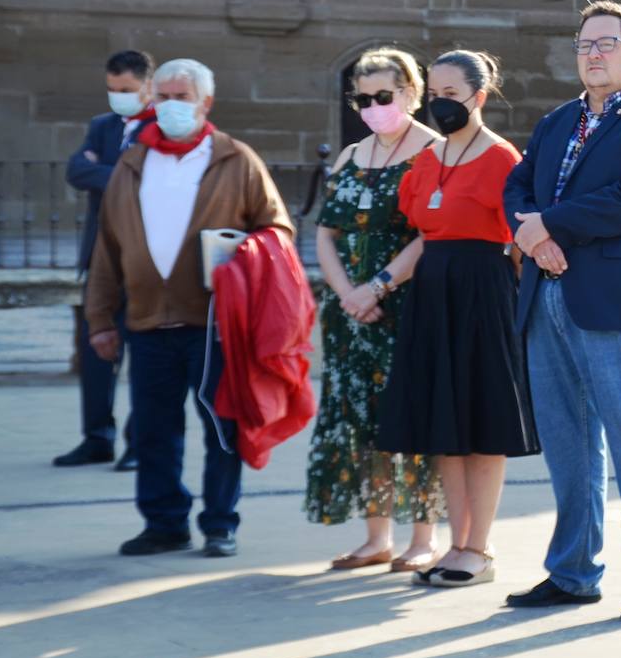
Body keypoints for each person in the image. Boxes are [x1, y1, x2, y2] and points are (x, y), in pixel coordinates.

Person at [503, 0, 621, 622]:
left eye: (607, 43)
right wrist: (532, 232)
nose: (593, 54)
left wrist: (542, 228)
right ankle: (573, 572)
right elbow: (517, 187)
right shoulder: (558, 120)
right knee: (569, 445)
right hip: (547, 300)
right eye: (585, 44)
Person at [85, 57, 292, 557]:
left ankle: (221, 522)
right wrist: (99, 319)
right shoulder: (133, 165)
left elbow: (277, 230)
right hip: (148, 321)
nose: (171, 106)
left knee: (223, 429)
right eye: (163, 97)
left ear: (206, 102)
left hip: (215, 325)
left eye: (182, 97)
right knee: (154, 430)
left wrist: (243, 253)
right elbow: (108, 248)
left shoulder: (236, 160)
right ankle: (164, 523)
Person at [377, 50, 540, 589]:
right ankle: (456, 545)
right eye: (434, 93)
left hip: (483, 290)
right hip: (433, 294)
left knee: (483, 425)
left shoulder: (501, 159)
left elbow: (516, 244)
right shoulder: (428, 158)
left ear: (479, 96)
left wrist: (510, 306)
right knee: (446, 426)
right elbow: (423, 233)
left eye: (450, 94)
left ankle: (480, 547)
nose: (440, 103)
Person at [305, 47, 445, 573]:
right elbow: (324, 233)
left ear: (411, 93)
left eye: (384, 96)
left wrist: (378, 288)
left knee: (411, 416)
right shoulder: (350, 155)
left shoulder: (432, 153)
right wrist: (348, 293)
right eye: (363, 98)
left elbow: (433, 233)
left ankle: (423, 537)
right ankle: (376, 536)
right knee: (360, 421)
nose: (373, 106)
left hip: (407, 306)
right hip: (350, 316)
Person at [56, 50, 156, 471]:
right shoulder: (102, 127)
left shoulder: (162, 128)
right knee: (95, 354)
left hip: (144, 261)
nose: (118, 98)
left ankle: (139, 443)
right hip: (100, 260)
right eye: (112, 90)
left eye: (127, 91)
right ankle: (97, 437)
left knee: (146, 359)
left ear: (148, 86)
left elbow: (150, 182)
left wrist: (106, 170)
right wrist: (122, 173)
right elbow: (75, 171)